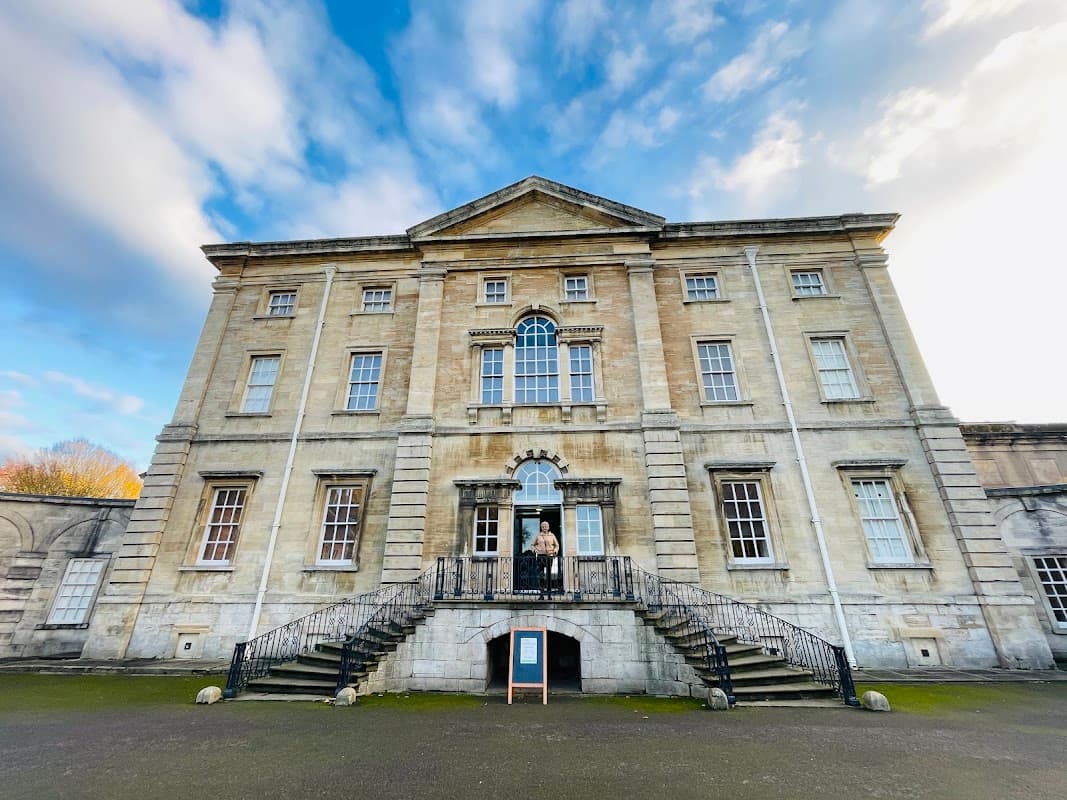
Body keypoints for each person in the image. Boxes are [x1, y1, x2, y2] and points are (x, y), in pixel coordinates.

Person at [531, 520, 560, 599]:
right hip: (540, 556)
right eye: (543, 526)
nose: (544, 527)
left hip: (549, 556)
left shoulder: (552, 535)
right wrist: (534, 550)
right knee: (541, 575)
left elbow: (557, 545)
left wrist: (555, 551)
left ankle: (549, 594)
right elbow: (532, 545)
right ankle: (541, 594)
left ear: (548, 527)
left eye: (546, 526)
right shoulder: (538, 536)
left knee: (549, 576)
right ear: (541, 527)